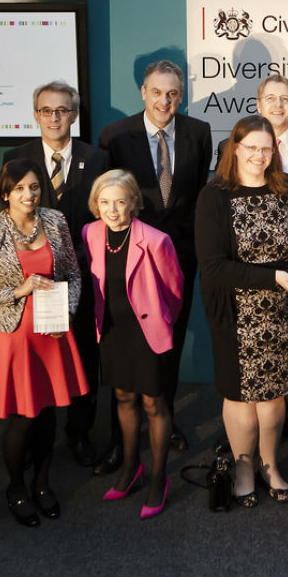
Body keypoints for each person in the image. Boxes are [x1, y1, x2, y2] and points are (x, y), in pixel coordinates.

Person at [0, 158, 89, 527]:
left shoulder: (55, 221)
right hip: (12, 336)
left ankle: (42, 483)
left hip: (52, 332)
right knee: (21, 418)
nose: (29, 194)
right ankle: (16, 487)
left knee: (49, 412)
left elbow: (73, 275)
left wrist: (67, 311)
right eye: (19, 188)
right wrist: (20, 289)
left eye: (34, 186)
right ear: (5, 192)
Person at [100, 60, 212, 456]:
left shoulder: (199, 132)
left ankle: (166, 418)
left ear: (181, 95)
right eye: (157, 92)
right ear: (143, 91)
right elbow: (107, 197)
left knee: (171, 339)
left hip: (178, 255)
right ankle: (121, 436)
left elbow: (197, 193)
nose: (165, 100)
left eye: (173, 93)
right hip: (127, 256)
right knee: (127, 341)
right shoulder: (115, 135)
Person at [195, 115, 288, 507]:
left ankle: (270, 464)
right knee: (241, 396)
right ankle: (243, 467)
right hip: (235, 313)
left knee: (274, 397)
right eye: (251, 147)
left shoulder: (286, 188)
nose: (259, 155)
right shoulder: (215, 196)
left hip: (281, 311)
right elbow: (213, 267)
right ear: (235, 149)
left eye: (266, 148)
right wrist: (273, 276)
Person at [216, 73, 288, 454]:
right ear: (259, 105)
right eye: (271, 98)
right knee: (242, 381)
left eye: (287, 98)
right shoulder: (222, 169)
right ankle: (243, 448)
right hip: (241, 295)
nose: (279, 105)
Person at [4, 80, 110, 472]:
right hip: (34, 284)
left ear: (74, 114)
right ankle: (36, 437)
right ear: (35, 115)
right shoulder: (16, 156)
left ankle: (79, 434)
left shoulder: (97, 157)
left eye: (62, 110)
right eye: (46, 110)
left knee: (84, 358)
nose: (54, 117)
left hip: (82, 277)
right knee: (38, 361)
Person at [83, 170, 183, 518]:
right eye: (105, 202)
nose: (112, 210)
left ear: (133, 204)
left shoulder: (156, 239)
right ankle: (130, 467)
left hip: (146, 334)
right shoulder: (90, 233)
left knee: (154, 404)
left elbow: (174, 291)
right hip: (111, 331)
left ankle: (158, 477)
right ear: (96, 205)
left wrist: (157, 322)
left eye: (120, 202)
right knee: (122, 397)